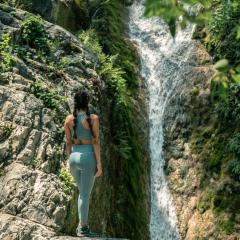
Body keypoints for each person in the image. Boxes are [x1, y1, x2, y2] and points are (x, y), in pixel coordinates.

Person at [63, 88, 103, 237]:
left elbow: (68, 143)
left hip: (74, 157)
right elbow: (96, 142)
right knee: (85, 195)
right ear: (88, 102)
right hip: (88, 157)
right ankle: (83, 228)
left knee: (82, 193)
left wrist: (69, 160)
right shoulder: (93, 119)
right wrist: (99, 163)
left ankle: (81, 226)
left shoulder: (68, 119)